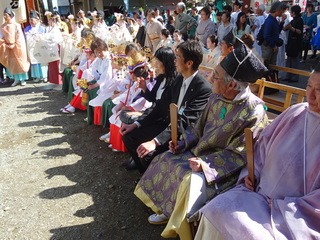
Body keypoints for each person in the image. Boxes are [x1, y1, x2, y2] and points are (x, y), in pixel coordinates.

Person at [134, 43, 269, 240]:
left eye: (215, 76)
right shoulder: (216, 97)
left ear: (231, 85)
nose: (209, 78)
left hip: (224, 168)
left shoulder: (254, 112)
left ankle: (182, 227)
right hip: (198, 152)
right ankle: (168, 210)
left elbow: (241, 153)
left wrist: (206, 165)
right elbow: (197, 127)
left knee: (190, 180)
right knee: (166, 159)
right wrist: (182, 143)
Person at [195, 62, 320, 240]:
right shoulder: (295, 112)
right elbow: (261, 148)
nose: (311, 95)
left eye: (319, 89)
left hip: (292, 215)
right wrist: (251, 173)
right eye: (308, 86)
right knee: (216, 209)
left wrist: (283, 207)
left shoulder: (253, 108)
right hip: (258, 194)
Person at [121, 40, 212, 172]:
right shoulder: (179, 79)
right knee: (129, 136)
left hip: (184, 136)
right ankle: (144, 176)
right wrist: (136, 124)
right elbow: (160, 106)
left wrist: (155, 141)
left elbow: (185, 121)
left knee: (149, 153)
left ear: (189, 63)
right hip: (168, 126)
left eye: (178, 57)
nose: (174, 60)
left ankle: (152, 180)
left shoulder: (203, 88)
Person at [0, 7, 30, 87]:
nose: (5, 17)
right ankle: (16, 79)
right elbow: (1, 37)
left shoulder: (17, 25)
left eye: (6, 15)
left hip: (17, 46)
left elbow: (19, 36)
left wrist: (15, 44)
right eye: (4, 15)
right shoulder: (2, 26)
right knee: (12, 63)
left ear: (10, 16)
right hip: (7, 46)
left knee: (20, 62)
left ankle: (23, 79)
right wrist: (6, 44)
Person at [24, 10, 48, 83]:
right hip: (32, 47)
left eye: (32, 20)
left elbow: (46, 37)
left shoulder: (42, 28)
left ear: (37, 20)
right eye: (30, 20)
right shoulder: (27, 29)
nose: (31, 21)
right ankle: (37, 76)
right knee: (34, 62)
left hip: (41, 47)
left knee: (42, 62)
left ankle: (45, 76)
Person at [261, 1, 287, 66]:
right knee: (266, 65)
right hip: (268, 46)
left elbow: (277, 31)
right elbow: (266, 35)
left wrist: (282, 22)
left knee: (272, 65)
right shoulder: (269, 20)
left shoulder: (274, 19)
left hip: (272, 45)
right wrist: (273, 45)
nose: (282, 12)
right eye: (281, 10)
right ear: (276, 10)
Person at [283, 5, 303, 82]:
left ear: (294, 12)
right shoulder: (292, 20)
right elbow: (285, 28)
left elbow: (299, 31)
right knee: (289, 60)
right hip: (290, 42)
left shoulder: (299, 20)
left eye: (291, 12)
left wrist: (291, 28)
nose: (290, 13)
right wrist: (283, 22)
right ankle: (288, 76)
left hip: (296, 42)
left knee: (295, 61)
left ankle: (294, 77)